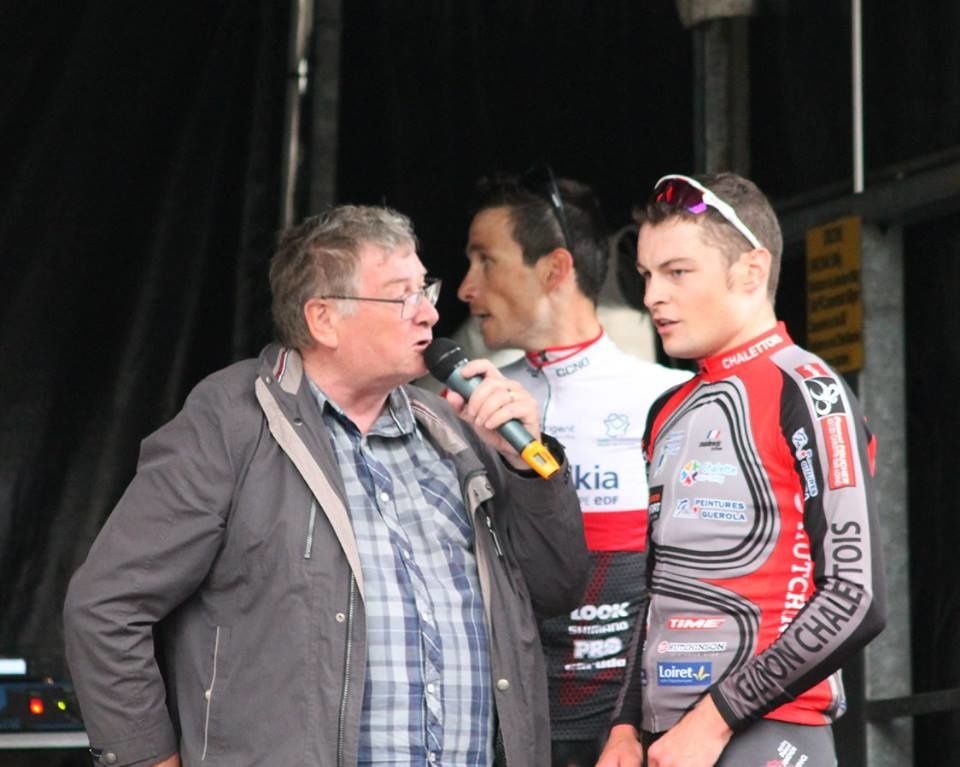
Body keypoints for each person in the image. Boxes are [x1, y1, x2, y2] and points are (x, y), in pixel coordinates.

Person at [63, 205, 590, 767]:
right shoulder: (231, 423)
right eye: (402, 296)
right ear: (323, 320)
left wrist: (524, 466)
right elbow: (107, 607)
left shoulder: (456, 432)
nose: (430, 314)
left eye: (426, 289)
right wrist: (147, 759)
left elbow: (557, 589)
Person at [596, 173, 887, 767]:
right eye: (647, 275)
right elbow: (653, 588)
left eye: (677, 272)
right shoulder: (667, 410)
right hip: (664, 742)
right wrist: (624, 727)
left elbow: (856, 597)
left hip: (767, 736)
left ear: (752, 272)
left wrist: (715, 719)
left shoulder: (809, 390)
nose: (652, 296)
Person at [457, 168, 691, 767]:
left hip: (634, 733)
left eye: (485, 261)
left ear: (554, 270)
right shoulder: (463, 408)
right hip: (503, 730)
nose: (465, 288)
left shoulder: (671, 398)